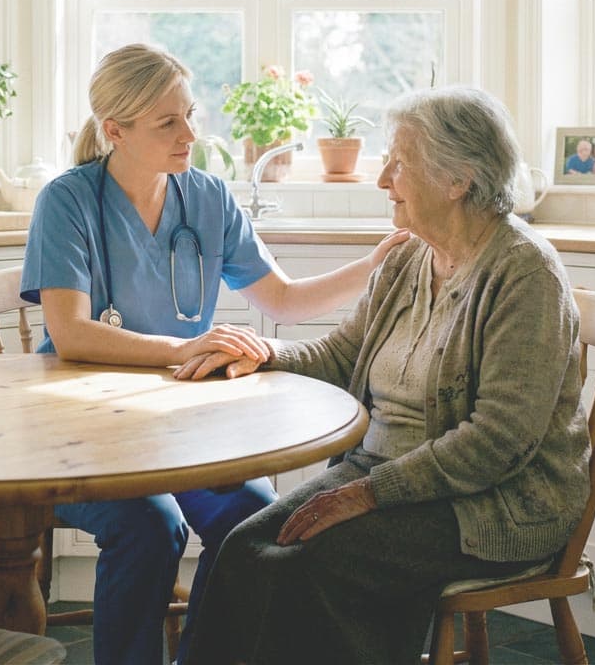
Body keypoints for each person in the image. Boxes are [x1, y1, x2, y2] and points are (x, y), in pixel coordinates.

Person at [20, 43, 407, 665]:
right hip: (74, 434)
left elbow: (279, 298)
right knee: (151, 527)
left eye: (190, 115)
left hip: (180, 430)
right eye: (167, 122)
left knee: (253, 521)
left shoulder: (206, 197)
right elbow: (71, 332)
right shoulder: (68, 201)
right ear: (114, 130)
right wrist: (185, 346)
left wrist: (370, 267)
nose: (190, 134)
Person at [178, 85, 591, 665]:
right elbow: (345, 354)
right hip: (381, 470)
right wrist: (265, 353)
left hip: (494, 502)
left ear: (457, 180)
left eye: (399, 163)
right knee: (243, 547)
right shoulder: (407, 256)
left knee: (312, 564)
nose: (383, 179)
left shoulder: (526, 276)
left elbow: (497, 442)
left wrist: (369, 494)